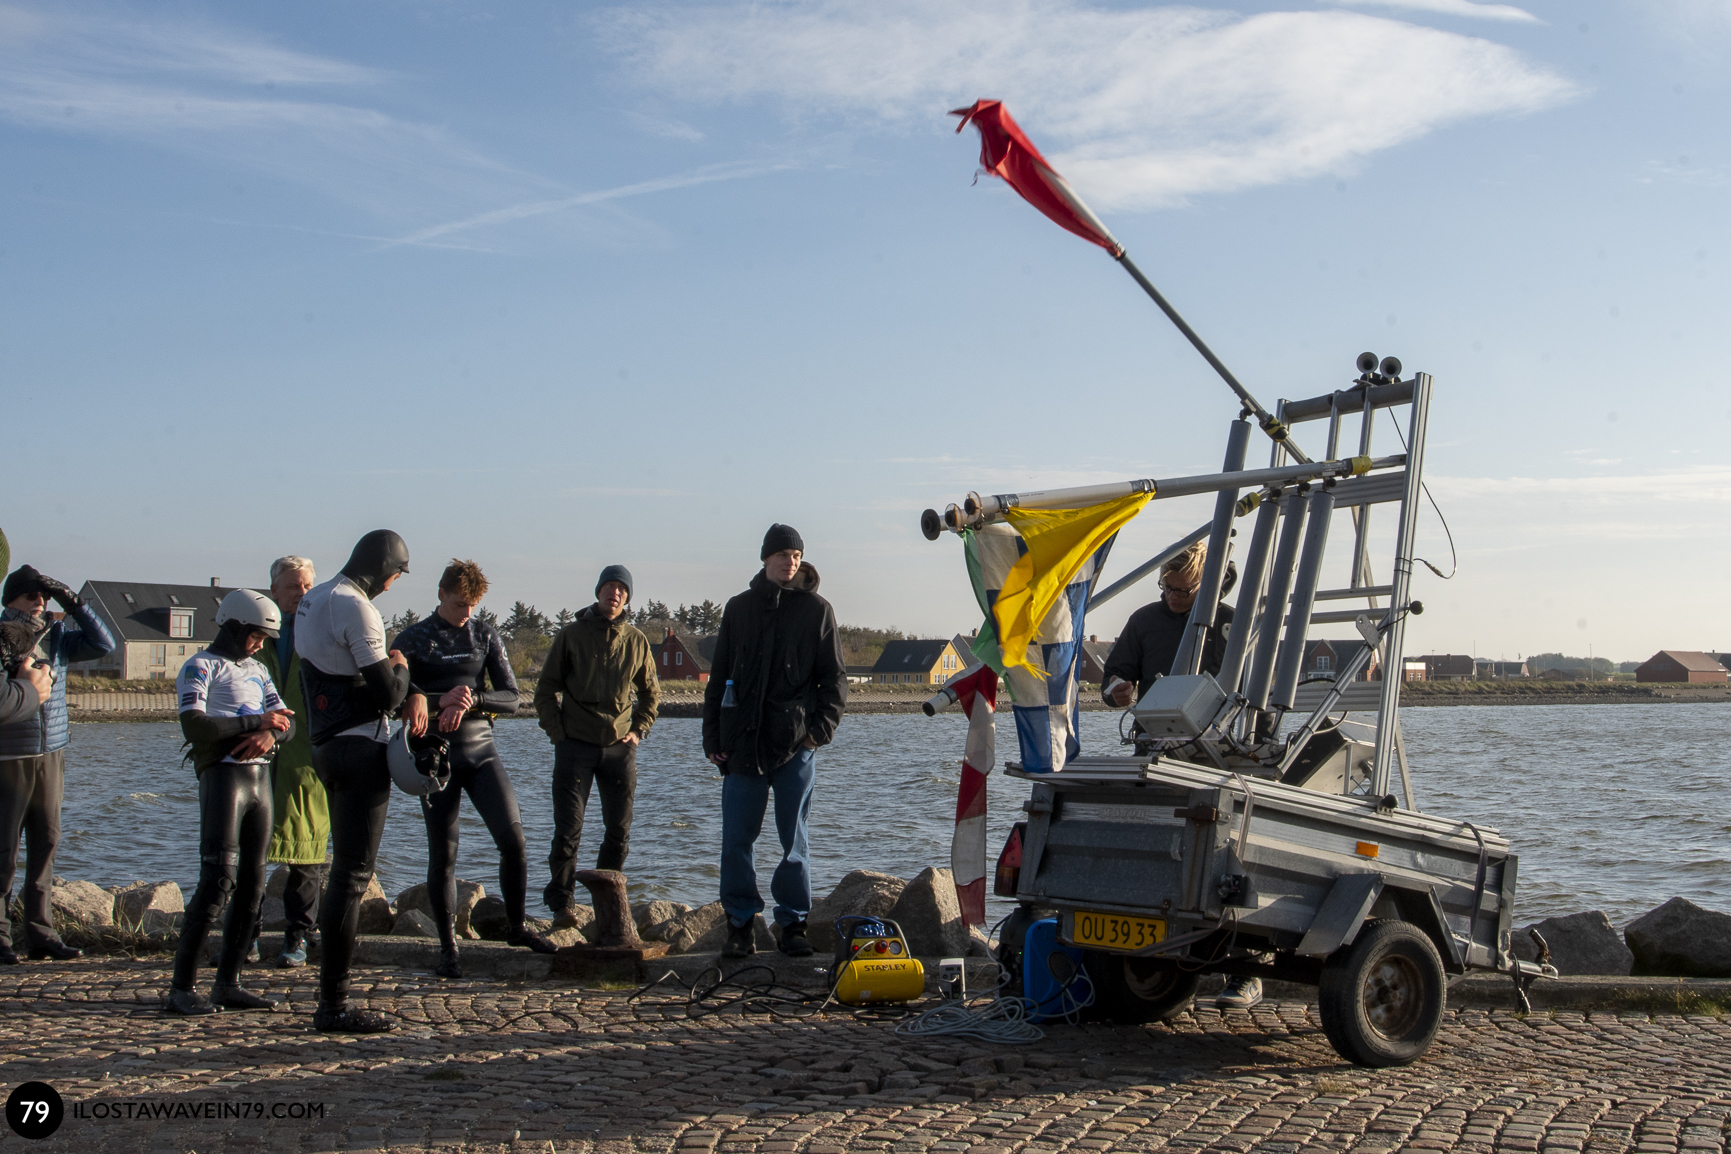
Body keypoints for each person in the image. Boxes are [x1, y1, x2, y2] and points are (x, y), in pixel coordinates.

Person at [1100, 540, 1257, 1009]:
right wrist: (1116, 691)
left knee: (1228, 860)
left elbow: (1255, 689)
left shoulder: (1232, 624)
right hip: (1154, 752)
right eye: (1166, 588)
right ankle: (1155, 966)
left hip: (1218, 759)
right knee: (1154, 855)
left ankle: (1243, 969)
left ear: (1206, 586)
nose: (1172, 597)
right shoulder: (1144, 621)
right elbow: (1113, 676)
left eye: (1183, 591)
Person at [397, 560, 556, 977]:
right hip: (434, 758)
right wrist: (439, 701)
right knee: (443, 854)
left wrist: (472, 699)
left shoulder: (484, 635)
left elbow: (512, 697)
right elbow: (393, 699)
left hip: (481, 751)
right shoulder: (412, 640)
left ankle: (517, 928)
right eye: (459, 604)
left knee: (514, 841)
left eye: (472, 605)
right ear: (441, 595)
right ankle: (448, 948)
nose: (466, 612)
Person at [702, 526, 846, 959]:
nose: (790, 561)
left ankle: (793, 925)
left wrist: (817, 734)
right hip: (741, 745)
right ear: (766, 558)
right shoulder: (738, 608)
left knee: (794, 841)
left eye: (796, 555)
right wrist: (713, 738)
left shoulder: (817, 610)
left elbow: (835, 681)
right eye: (783, 554)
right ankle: (740, 925)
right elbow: (718, 678)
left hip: (795, 746)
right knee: (736, 840)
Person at [295, 530, 411, 1033]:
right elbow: (388, 695)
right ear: (386, 569)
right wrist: (402, 668)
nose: (392, 586)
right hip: (361, 746)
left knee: (341, 873)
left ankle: (331, 1000)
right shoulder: (358, 607)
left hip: (324, 745)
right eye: (396, 575)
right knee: (352, 877)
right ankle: (334, 1005)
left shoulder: (313, 599)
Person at [167, 590, 295, 1014]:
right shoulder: (200, 666)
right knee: (218, 880)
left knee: (253, 886)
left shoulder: (258, 669)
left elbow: (288, 724)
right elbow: (195, 726)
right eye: (255, 636)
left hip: (260, 780)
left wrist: (270, 735)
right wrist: (257, 721)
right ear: (235, 628)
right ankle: (182, 988)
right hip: (224, 777)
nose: (259, 645)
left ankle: (229, 983)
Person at [0, 565, 116, 964]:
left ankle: (40, 934)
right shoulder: (2, 635)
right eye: (31, 596)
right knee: (3, 849)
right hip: (8, 755)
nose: (39, 603)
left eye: (45, 596)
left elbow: (104, 644)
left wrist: (76, 602)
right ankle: (0, 937)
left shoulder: (58, 636)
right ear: (11, 599)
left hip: (51, 751)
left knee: (47, 841)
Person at [534, 565, 658, 926]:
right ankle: (562, 905)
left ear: (627, 597)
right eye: (609, 586)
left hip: (619, 748)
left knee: (619, 832)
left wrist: (638, 731)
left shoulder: (636, 640)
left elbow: (651, 694)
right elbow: (545, 690)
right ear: (598, 591)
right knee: (568, 830)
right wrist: (558, 734)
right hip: (575, 746)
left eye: (621, 589)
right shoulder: (570, 635)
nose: (614, 593)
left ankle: (606, 906)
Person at [256, 556, 327, 969]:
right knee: (249, 854)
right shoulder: (257, 633)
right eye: (293, 586)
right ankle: (245, 936)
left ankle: (297, 937)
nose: (302, 593)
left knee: (306, 854)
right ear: (274, 591)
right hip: (258, 755)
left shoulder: (321, 630)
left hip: (307, 758)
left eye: (307, 586)